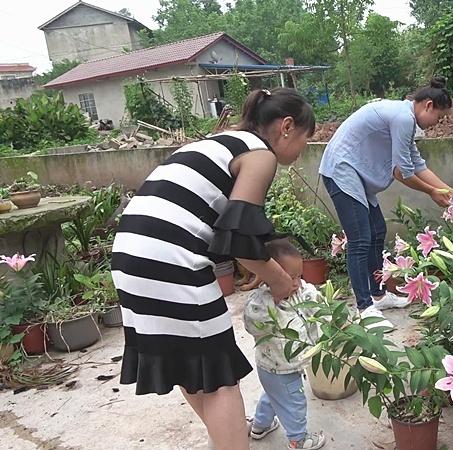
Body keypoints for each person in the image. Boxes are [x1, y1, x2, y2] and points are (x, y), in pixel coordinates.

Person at [111, 87, 315, 450]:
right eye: (304, 140)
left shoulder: (220, 142)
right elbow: (236, 241)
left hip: (129, 256)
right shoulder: (258, 154)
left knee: (191, 365)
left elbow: (227, 230)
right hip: (171, 259)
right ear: (286, 127)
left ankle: (229, 436)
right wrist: (281, 280)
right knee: (220, 377)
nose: (300, 153)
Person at [318, 77, 453, 330]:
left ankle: (378, 295)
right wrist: (432, 192)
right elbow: (401, 172)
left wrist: (447, 190)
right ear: (428, 105)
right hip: (341, 170)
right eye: (439, 117)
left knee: (377, 230)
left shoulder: (403, 116)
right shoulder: (402, 118)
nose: (437, 124)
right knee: (359, 239)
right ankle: (363, 307)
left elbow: (417, 164)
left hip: (355, 173)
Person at [243, 239, 325, 449]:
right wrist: (274, 304)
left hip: (280, 366)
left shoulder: (301, 291)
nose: (296, 282)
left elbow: (317, 305)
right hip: (279, 366)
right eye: (290, 277)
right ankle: (298, 439)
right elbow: (253, 324)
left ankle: (260, 426)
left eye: (300, 275)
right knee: (295, 402)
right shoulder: (260, 302)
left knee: (272, 396)